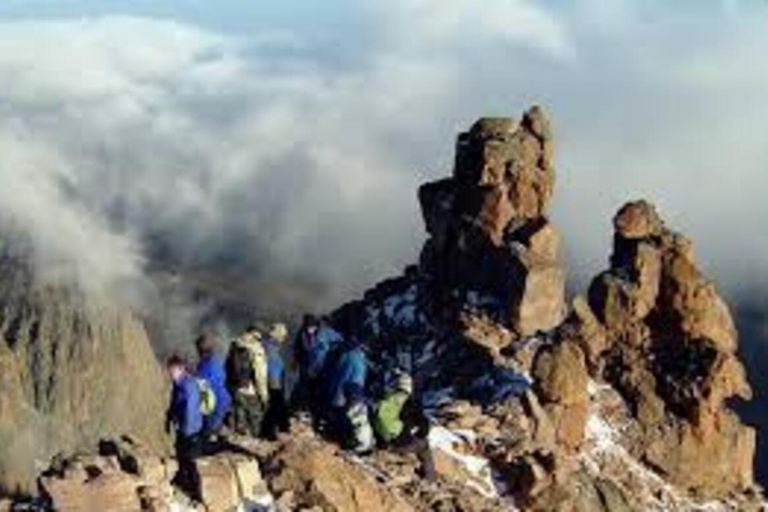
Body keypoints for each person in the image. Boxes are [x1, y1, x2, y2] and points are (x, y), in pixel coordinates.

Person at [373, 373, 436, 482]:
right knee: (424, 445)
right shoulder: (410, 402)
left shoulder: (387, 397)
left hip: (380, 442)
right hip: (398, 444)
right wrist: (413, 433)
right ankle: (429, 478)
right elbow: (424, 427)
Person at [165, 355, 203, 502]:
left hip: (191, 429)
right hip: (183, 428)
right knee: (181, 455)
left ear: (181, 369)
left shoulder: (189, 386)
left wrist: (186, 430)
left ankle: (196, 493)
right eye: (169, 371)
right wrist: (170, 418)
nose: (170, 374)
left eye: (172, 371)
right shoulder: (179, 384)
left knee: (190, 460)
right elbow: (175, 403)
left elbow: (191, 410)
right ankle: (182, 479)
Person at [225, 326, 269, 438]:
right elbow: (260, 375)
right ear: (255, 335)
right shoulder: (256, 349)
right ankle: (255, 444)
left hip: (235, 387)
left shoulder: (234, 344)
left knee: (238, 419)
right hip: (250, 389)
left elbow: (227, 366)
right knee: (255, 420)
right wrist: (264, 395)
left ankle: (237, 439)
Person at [196, 333, 232, 442]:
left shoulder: (204, 368)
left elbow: (204, 392)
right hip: (224, 401)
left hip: (214, 405)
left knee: (207, 435)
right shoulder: (217, 362)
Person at [261, 322, 290, 440]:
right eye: (282, 336)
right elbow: (271, 365)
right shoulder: (269, 347)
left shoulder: (270, 345)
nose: (283, 339)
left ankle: (280, 426)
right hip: (273, 380)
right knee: (274, 406)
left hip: (276, 378)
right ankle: (269, 431)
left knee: (277, 404)